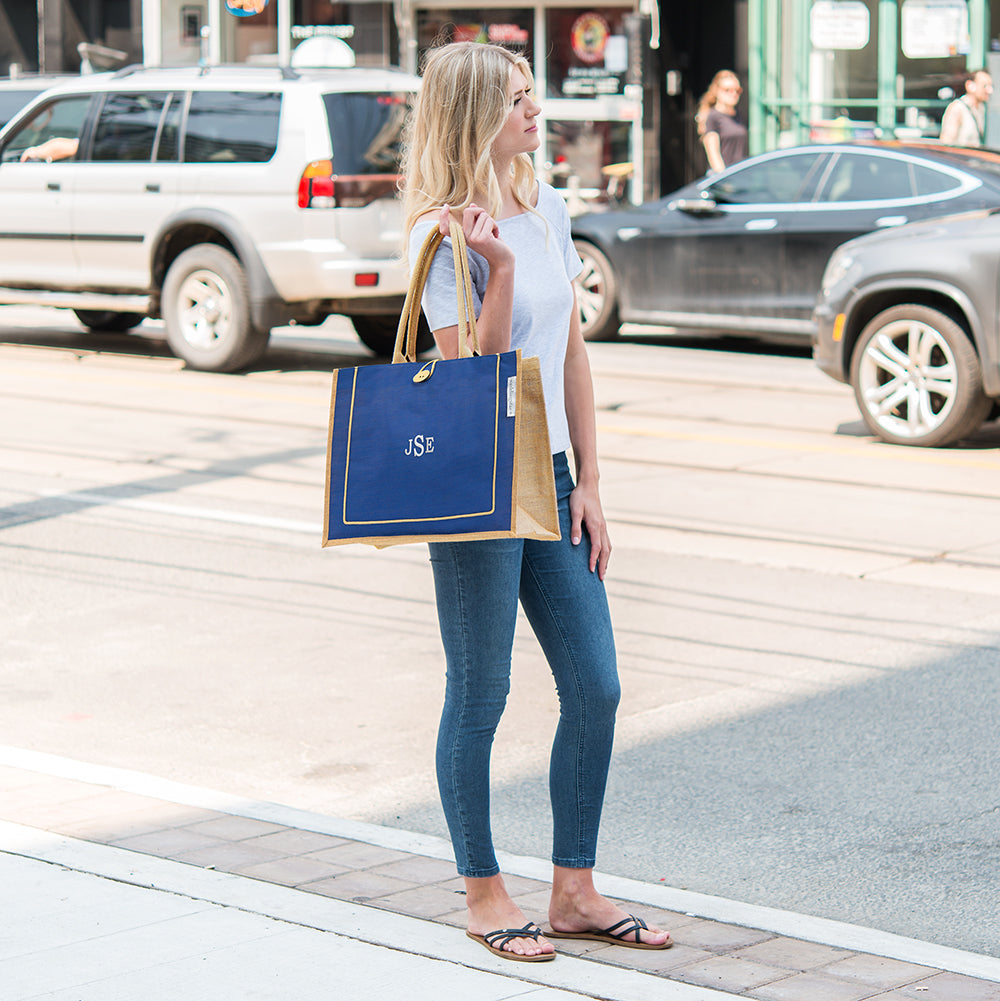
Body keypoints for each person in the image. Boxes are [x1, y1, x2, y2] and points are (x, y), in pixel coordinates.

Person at [401, 41, 671, 963]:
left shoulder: (549, 204)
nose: (537, 111)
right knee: (481, 692)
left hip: (554, 479)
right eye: (518, 99)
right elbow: (474, 382)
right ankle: (483, 891)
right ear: (476, 114)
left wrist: (592, 482)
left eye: (534, 94)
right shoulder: (440, 235)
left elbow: (573, 354)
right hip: (482, 490)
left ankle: (574, 890)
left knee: (596, 685)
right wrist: (497, 271)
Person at [697, 70, 748, 173]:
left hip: (738, 175)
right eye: (727, 90)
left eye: (737, 90)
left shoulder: (738, 115)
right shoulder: (713, 117)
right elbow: (713, 155)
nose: (733, 94)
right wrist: (724, 180)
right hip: (722, 177)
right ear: (717, 91)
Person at [939, 70, 993, 147]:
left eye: (991, 86)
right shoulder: (957, 108)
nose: (990, 91)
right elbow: (947, 143)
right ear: (970, 86)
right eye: (984, 86)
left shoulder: (981, 108)